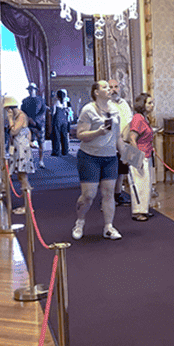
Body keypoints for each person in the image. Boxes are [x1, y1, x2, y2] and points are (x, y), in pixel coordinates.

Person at [71, 80, 124, 241]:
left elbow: (118, 136)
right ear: (96, 92)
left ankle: (108, 227)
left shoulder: (115, 110)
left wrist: (125, 155)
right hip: (90, 157)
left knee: (109, 194)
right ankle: (80, 221)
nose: (109, 89)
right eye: (105, 87)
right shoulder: (88, 110)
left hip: (110, 157)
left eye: (110, 87)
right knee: (88, 195)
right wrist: (98, 132)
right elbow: (80, 134)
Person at [127, 93, 157, 221]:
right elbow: (132, 138)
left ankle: (143, 209)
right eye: (149, 103)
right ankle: (137, 211)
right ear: (142, 104)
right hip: (139, 155)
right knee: (139, 184)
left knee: (146, 184)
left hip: (147, 153)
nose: (152, 105)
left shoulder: (144, 118)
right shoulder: (138, 118)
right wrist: (137, 158)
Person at [4, 95, 34, 197]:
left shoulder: (20, 116)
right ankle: (26, 204)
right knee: (21, 176)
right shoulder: (19, 116)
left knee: (23, 176)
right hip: (18, 148)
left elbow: (13, 131)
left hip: (21, 149)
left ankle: (27, 206)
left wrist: (10, 119)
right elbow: (28, 131)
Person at [109, 79, 133, 206]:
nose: (114, 89)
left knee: (121, 172)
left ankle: (118, 195)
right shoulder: (106, 104)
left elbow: (129, 121)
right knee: (111, 173)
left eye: (116, 87)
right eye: (111, 87)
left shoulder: (124, 103)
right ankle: (108, 198)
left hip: (125, 142)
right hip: (111, 143)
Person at [21, 82, 47, 169]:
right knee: (27, 143)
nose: (31, 91)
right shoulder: (25, 101)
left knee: (41, 143)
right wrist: (29, 119)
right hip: (28, 125)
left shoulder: (41, 100)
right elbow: (22, 112)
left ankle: (41, 161)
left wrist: (36, 121)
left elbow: (43, 111)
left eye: (32, 89)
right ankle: (29, 160)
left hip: (39, 124)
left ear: (35, 90)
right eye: (30, 89)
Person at [50, 88, 70, 157]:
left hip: (57, 120)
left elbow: (53, 113)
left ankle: (56, 151)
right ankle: (65, 151)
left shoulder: (56, 103)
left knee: (56, 136)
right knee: (64, 136)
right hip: (64, 121)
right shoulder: (65, 103)